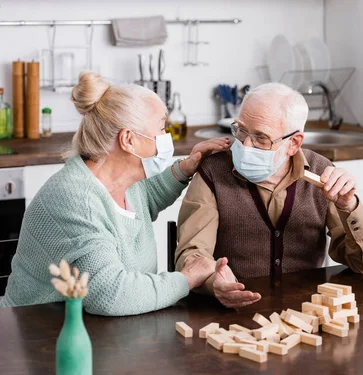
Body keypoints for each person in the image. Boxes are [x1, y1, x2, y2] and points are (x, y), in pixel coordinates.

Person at [0, 72, 230, 316]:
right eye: (162, 128)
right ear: (128, 140)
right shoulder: (77, 201)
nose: (166, 138)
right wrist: (187, 278)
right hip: (36, 336)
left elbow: (147, 197)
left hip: (96, 332)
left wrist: (186, 167)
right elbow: (113, 294)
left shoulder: (125, 182)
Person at [176, 83, 363, 308]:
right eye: (242, 130)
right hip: (232, 314)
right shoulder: (213, 171)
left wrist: (349, 206)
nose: (245, 145)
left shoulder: (321, 173)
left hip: (305, 313)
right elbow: (192, 256)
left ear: (293, 143)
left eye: (261, 137)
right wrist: (213, 282)